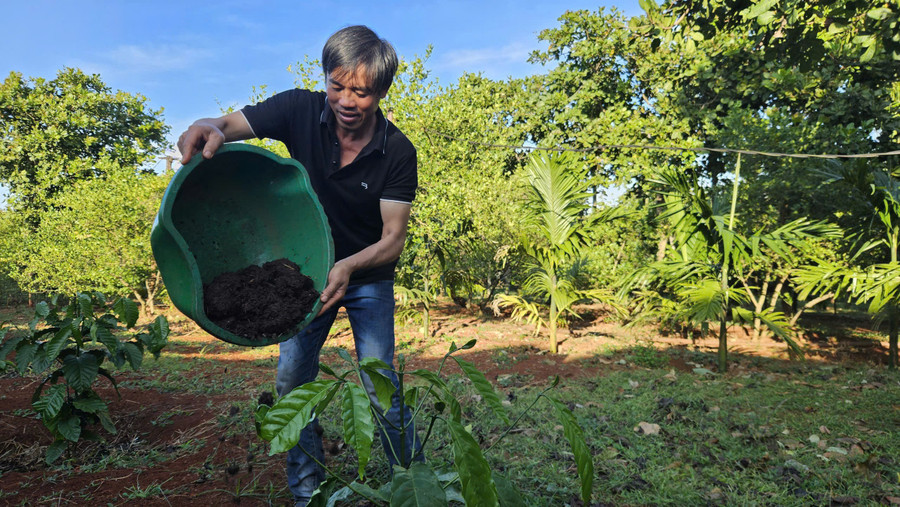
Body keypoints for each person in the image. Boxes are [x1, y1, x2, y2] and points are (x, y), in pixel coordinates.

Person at [176, 25, 420, 507]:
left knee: (380, 384)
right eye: (337, 85)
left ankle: (409, 485)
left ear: (382, 92)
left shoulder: (398, 151)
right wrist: (206, 128)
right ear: (325, 78)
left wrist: (349, 266)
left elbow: (393, 239)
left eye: (361, 91)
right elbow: (225, 125)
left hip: (367, 276)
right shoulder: (298, 109)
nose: (346, 100)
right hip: (306, 276)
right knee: (292, 383)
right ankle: (308, 490)